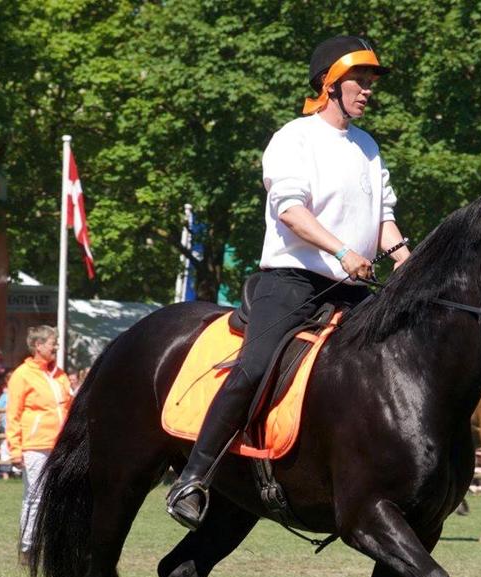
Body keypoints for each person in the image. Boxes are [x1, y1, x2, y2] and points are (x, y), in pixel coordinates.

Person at [165, 34, 410, 529]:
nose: (367, 90)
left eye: (370, 83)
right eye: (358, 81)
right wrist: (342, 251)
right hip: (293, 282)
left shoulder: (367, 147)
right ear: (328, 84)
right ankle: (193, 477)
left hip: (354, 290)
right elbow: (291, 211)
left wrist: (408, 260)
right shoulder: (293, 138)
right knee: (254, 366)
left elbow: (383, 218)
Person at [7, 326, 73, 562]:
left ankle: (52, 546)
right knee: (34, 496)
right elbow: (13, 414)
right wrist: (15, 449)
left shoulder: (60, 375)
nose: (55, 347)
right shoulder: (22, 375)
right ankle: (28, 547)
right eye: (51, 343)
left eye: (55, 343)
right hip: (35, 446)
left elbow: (68, 408)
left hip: (60, 447)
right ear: (38, 346)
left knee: (58, 498)